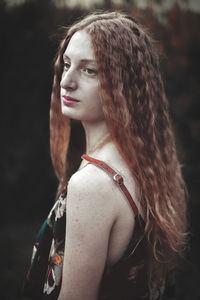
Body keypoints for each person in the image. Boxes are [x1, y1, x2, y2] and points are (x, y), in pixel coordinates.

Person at [23, 11, 188, 300]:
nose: (66, 82)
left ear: (125, 83)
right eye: (66, 64)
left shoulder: (92, 185)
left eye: (89, 70)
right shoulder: (151, 172)